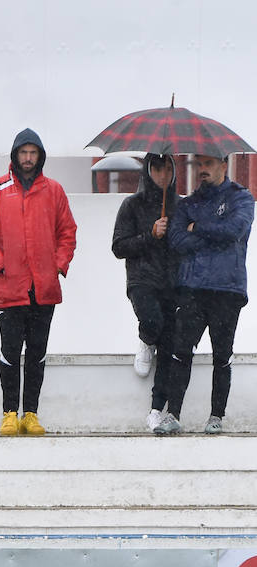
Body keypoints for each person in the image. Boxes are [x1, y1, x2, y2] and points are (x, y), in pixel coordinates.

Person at [0, 127, 78, 436]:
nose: (28, 159)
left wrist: (58, 265)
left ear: (39, 156)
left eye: (33, 153)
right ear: (15, 156)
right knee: (10, 351)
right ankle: (9, 413)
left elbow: (67, 231)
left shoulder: (54, 190)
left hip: (43, 289)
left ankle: (31, 413)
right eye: (23, 153)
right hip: (9, 288)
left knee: (37, 353)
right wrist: (0, 265)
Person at [155, 153, 253, 435]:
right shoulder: (188, 203)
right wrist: (210, 234)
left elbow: (235, 230)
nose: (202, 169)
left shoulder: (241, 198)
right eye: (199, 164)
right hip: (193, 286)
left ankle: (216, 415)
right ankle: (172, 414)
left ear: (224, 165)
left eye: (208, 164)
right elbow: (176, 239)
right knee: (181, 351)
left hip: (227, 288)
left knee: (222, 354)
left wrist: (197, 228)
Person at [112, 153, 180, 430]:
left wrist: (180, 232)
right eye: (156, 168)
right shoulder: (132, 205)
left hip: (172, 283)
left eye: (167, 169)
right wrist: (150, 235)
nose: (162, 175)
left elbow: (187, 245)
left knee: (169, 345)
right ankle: (145, 339)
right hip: (142, 280)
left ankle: (157, 408)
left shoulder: (181, 206)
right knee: (152, 321)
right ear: (148, 171)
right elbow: (119, 246)